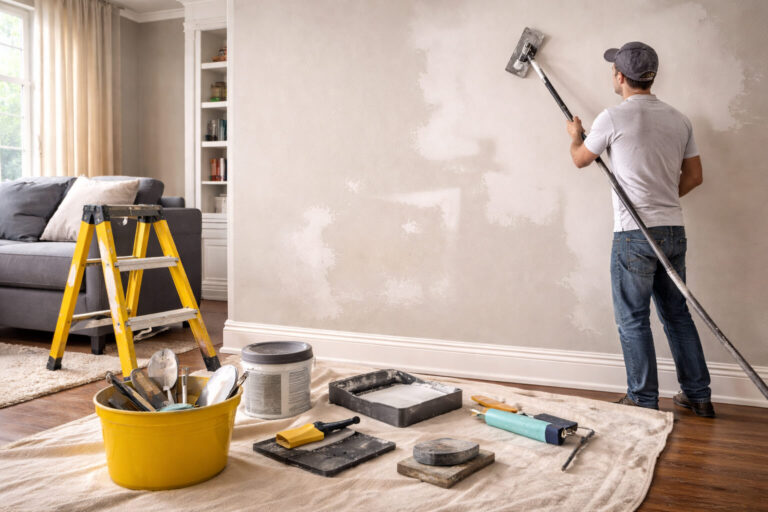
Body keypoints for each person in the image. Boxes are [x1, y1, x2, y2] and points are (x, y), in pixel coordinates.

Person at [564, 41, 715, 417]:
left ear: (619, 76)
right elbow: (694, 176)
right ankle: (698, 395)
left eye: (613, 70)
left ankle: (643, 400)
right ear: (651, 76)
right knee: (677, 314)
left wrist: (574, 135)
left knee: (633, 318)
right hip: (672, 230)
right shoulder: (679, 119)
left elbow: (581, 160)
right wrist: (664, 195)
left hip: (634, 235)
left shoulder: (612, 118)